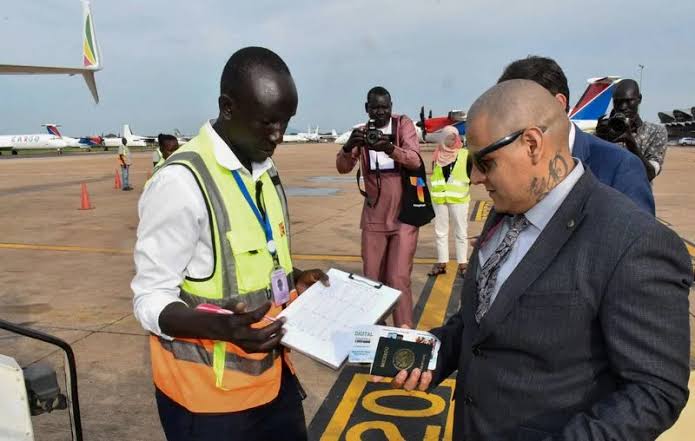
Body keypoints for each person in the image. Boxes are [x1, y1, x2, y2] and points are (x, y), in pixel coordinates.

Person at [382, 80, 692, 440]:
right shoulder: (507, 208)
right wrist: (431, 353)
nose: (476, 178)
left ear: (531, 144)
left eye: (484, 162)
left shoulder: (633, 241)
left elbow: (655, 391)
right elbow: (481, 318)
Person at [132, 46, 328, 441]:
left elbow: (256, 263)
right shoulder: (181, 182)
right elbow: (149, 299)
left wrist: (294, 279)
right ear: (228, 108)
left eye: (286, 122)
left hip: (273, 381)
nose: (278, 136)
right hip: (209, 403)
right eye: (267, 123)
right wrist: (222, 328)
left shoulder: (264, 171)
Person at [498, 56, 655, 215]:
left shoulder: (622, 168)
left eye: (519, 109)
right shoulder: (510, 166)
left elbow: (641, 230)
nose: (508, 121)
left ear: (558, 104)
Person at [336, 86, 422, 328]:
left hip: (404, 215)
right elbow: (342, 167)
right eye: (375, 107)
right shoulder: (362, 133)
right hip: (374, 216)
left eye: (385, 107)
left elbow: (415, 160)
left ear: (391, 107)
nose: (380, 112)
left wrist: (389, 148)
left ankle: (404, 334)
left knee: (398, 277)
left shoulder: (403, 125)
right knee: (372, 280)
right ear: (367, 108)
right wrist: (348, 147)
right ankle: (377, 333)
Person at [596, 79, 668, 181]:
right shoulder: (605, 130)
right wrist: (598, 140)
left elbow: (650, 174)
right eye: (617, 102)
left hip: (637, 191)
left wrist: (631, 144)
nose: (623, 107)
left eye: (629, 101)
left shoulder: (655, 132)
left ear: (639, 99)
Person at [428, 125, 470, 277]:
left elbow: (471, 173)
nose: (451, 140)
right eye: (448, 137)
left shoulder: (465, 154)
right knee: (440, 232)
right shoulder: (437, 154)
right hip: (439, 198)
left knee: (461, 231)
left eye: (454, 137)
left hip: (459, 198)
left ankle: (463, 263)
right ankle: (442, 262)